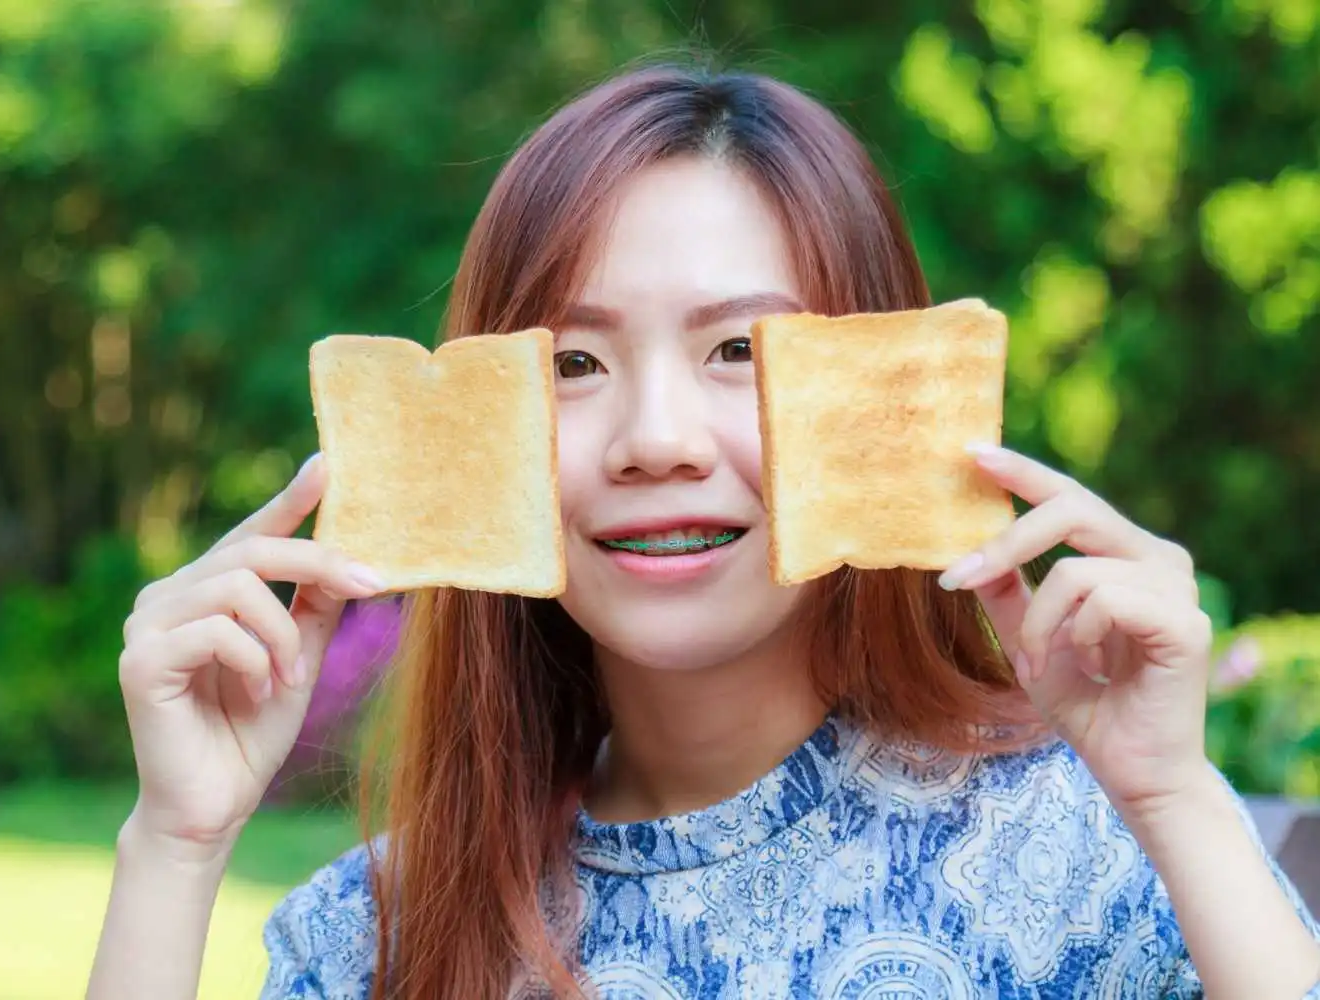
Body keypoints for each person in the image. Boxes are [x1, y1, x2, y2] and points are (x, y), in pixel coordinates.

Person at [86, 64, 1320, 1000]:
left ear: (877, 393)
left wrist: (1174, 800)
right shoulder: (372, 936)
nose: (655, 438)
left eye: (738, 349)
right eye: (574, 362)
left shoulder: (1085, 852)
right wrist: (174, 846)